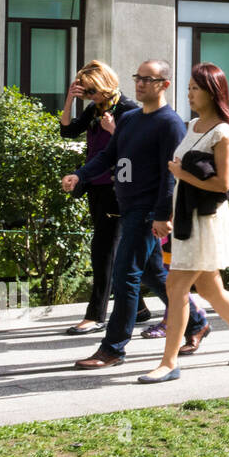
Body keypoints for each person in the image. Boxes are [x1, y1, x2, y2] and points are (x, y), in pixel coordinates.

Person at [63, 60, 209, 369]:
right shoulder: (129, 119)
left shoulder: (169, 123)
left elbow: (170, 175)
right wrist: (81, 175)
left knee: (125, 274)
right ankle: (196, 322)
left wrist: (162, 214)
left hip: (146, 211)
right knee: (153, 273)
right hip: (126, 204)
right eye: (137, 78)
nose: (140, 84)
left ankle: (113, 347)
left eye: (148, 79)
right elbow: (107, 155)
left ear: (164, 85)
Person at [137, 63, 229, 382]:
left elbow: (223, 185)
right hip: (184, 218)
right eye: (189, 87)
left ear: (212, 91)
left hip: (205, 221)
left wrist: (182, 174)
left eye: (196, 88)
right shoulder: (192, 125)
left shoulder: (223, 132)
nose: (190, 93)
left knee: (175, 285)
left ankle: (168, 362)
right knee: (209, 286)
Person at [59, 61, 142, 335]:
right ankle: (139, 307)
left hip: (118, 187)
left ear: (105, 84)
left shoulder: (128, 109)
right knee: (114, 249)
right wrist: (70, 98)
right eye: (87, 91)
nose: (90, 96)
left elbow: (137, 149)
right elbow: (67, 130)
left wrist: (113, 131)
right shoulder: (95, 109)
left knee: (103, 249)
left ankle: (96, 315)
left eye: (93, 90)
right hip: (95, 184)